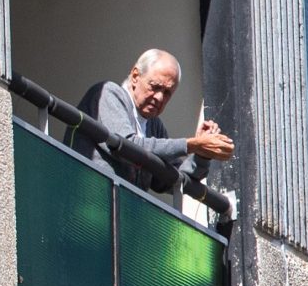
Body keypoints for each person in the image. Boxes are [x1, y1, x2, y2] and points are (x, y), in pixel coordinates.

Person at [84, 49, 234, 195]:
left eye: (167, 93)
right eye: (155, 87)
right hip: (90, 201)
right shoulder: (108, 93)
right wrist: (191, 144)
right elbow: (127, 145)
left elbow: (173, 180)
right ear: (135, 76)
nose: (159, 97)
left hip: (125, 212)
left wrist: (202, 154)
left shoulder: (154, 125)